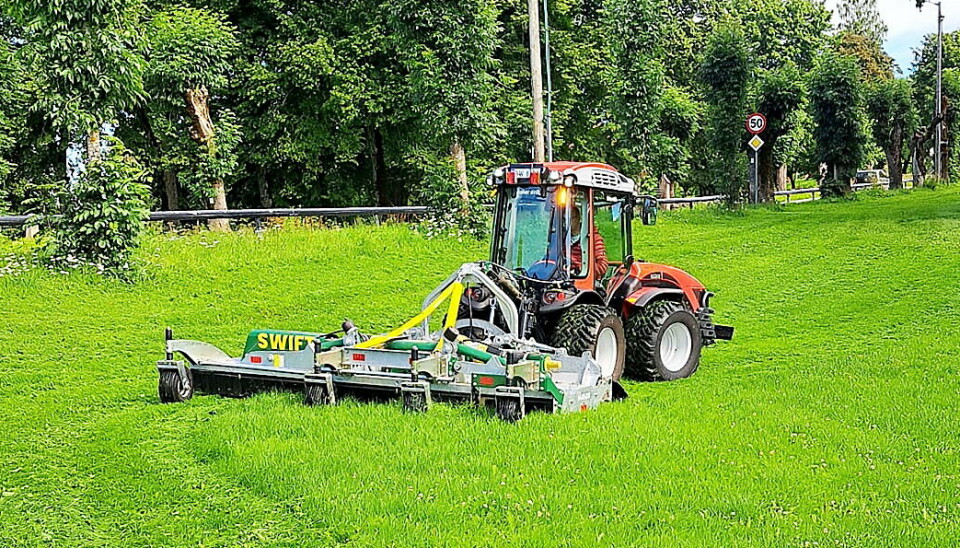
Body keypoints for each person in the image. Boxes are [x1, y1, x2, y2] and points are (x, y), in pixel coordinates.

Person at [570, 204, 608, 279]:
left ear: (578, 218)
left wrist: (582, 268)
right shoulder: (561, 240)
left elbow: (603, 265)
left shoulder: (593, 238)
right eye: (564, 219)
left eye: (570, 218)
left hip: (585, 280)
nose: (566, 222)